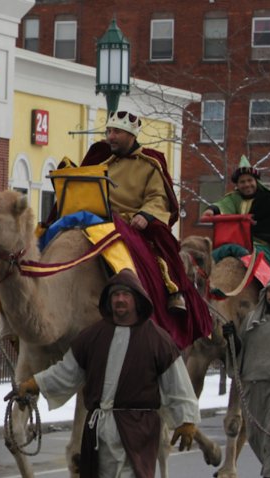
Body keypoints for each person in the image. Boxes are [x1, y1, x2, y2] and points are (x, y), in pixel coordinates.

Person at [6, 269, 199, 478]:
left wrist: (186, 419)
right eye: (115, 295)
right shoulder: (93, 336)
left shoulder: (157, 340)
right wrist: (34, 384)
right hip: (98, 432)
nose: (120, 299)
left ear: (137, 299)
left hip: (137, 431)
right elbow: (67, 372)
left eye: (126, 295)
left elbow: (177, 382)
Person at [79, 110, 212, 350]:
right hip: (99, 220)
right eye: (109, 131)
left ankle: (172, 292)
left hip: (133, 223)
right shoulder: (101, 164)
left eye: (117, 132)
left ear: (131, 135)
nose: (111, 137)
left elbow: (157, 197)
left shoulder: (150, 164)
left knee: (162, 252)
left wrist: (145, 215)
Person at [222, 277, 270, 478]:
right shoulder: (252, 321)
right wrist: (232, 339)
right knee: (256, 437)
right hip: (253, 388)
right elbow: (239, 354)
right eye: (269, 291)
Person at [202, 156, 270, 265]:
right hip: (239, 246)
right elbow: (223, 205)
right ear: (237, 185)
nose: (246, 185)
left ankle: (269, 280)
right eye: (242, 182)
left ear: (256, 182)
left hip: (265, 248)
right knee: (215, 255)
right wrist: (211, 210)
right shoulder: (235, 199)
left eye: (249, 180)